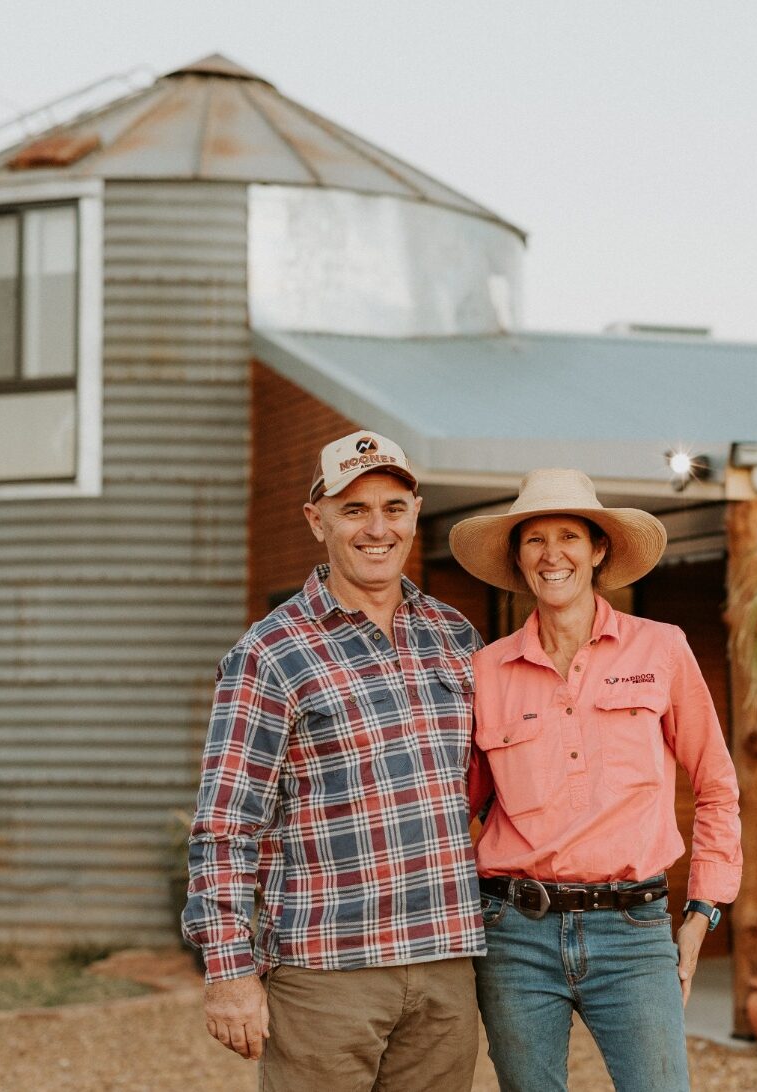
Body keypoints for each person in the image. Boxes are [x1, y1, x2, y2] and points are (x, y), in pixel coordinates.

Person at [184, 429, 485, 1092]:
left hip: (446, 966)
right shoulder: (269, 654)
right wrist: (229, 972)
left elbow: (492, 792)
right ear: (316, 520)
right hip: (327, 976)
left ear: (415, 514)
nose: (376, 528)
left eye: (393, 508)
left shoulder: (455, 635)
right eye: (354, 510)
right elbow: (225, 826)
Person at [449, 468, 742, 1092]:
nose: (552, 555)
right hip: (515, 935)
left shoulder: (661, 649)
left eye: (569, 537)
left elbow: (716, 781)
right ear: (518, 558)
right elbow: (455, 809)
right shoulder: (486, 670)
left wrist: (702, 914)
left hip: (633, 933)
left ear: (598, 549)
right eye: (534, 540)